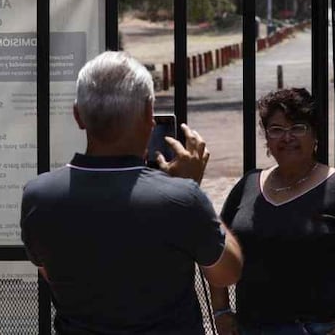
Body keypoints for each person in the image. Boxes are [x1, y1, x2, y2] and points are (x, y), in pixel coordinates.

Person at [20, 50, 243, 334]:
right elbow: (228, 271)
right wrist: (191, 188)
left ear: (78, 115)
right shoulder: (181, 199)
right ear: (150, 114)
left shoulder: (38, 197)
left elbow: (51, 274)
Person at [210, 88, 335, 335]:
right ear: (267, 140)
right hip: (252, 327)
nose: (287, 137)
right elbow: (216, 246)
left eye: (298, 127)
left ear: (315, 135)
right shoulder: (248, 185)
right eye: (276, 129)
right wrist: (221, 311)